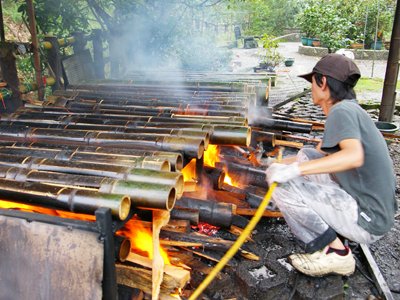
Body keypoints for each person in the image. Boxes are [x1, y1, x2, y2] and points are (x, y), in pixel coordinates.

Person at [265, 53, 397, 277]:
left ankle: (337, 253)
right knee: (306, 155)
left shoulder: (341, 112)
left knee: (282, 187)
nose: (311, 89)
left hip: (367, 220)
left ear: (323, 82)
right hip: (376, 212)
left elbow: (353, 156)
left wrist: (292, 172)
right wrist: (270, 164)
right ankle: (336, 233)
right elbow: (314, 154)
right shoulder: (350, 109)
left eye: (312, 82)